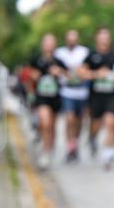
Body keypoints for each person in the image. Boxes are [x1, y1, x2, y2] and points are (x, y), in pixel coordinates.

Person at [79, 28, 114, 170]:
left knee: (111, 123)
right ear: (97, 38)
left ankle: (106, 156)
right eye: (102, 36)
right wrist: (96, 74)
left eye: (107, 36)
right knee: (95, 125)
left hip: (111, 95)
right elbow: (81, 72)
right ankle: (92, 138)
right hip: (96, 96)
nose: (104, 39)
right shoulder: (91, 55)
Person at [30, 33, 68, 170]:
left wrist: (60, 72)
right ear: (42, 44)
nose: (48, 45)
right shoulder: (36, 59)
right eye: (46, 42)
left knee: (52, 126)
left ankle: (49, 149)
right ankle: (44, 151)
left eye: (51, 42)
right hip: (42, 96)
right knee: (45, 122)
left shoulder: (59, 61)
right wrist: (37, 76)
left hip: (55, 97)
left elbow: (69, 76)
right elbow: (30, 75)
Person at [54, 30, 90, 163]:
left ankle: (76, 143)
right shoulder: (59, 53)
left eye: (74, 39)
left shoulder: (84, 52)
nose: (71, 42)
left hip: (82, 92)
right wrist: (63, 72)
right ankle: (70, 147)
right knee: (70, 119)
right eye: (69, 39)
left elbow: (87, 69)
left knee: (79, 121)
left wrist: (82, 72)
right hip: (67, 91)